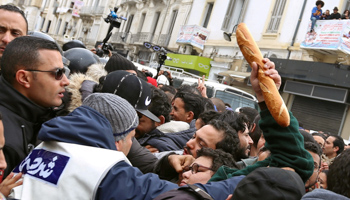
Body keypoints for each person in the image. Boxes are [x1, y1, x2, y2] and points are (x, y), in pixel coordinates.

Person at [209, 58, 313, 184]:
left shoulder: (229, 182)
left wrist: (268, 96)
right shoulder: (218, 185)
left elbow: (295, 162)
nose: (188, 144)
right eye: (193, 136)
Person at [0, 36, 70, 178]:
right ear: (24, 78)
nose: (66, 81)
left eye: (65, 72)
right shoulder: (5, 136)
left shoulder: (44, 115)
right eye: (58, 73)